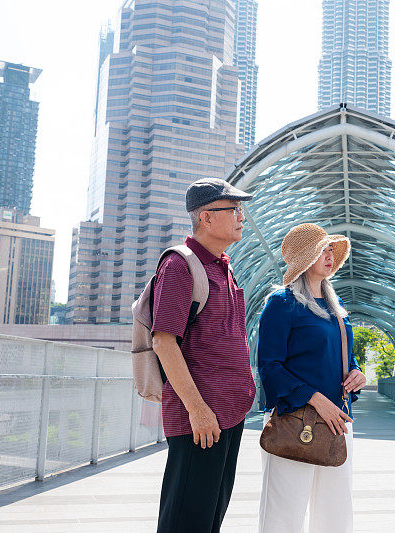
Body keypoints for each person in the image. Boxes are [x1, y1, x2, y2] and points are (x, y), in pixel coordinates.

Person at [152, 178, 257, 533]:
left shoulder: (223, 267)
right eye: (235, 209)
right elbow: (163, 342)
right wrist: (198, 411)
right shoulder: (180, 266)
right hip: (201, 420)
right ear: (207, 218)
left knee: (208, 521)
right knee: (185, 522)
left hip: (227, 416)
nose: (242, 217)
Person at [256, 223, 367, 533]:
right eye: (322, 250)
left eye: (331, 249)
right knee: (283, 516)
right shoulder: (281, 303)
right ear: (304, 259)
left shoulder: (336, 306)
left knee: (335, 514)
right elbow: (269, 366)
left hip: (338, 420)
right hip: (296, 419)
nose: (329, 255)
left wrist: (356, 374)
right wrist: (317, 400)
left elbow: (345, 357)